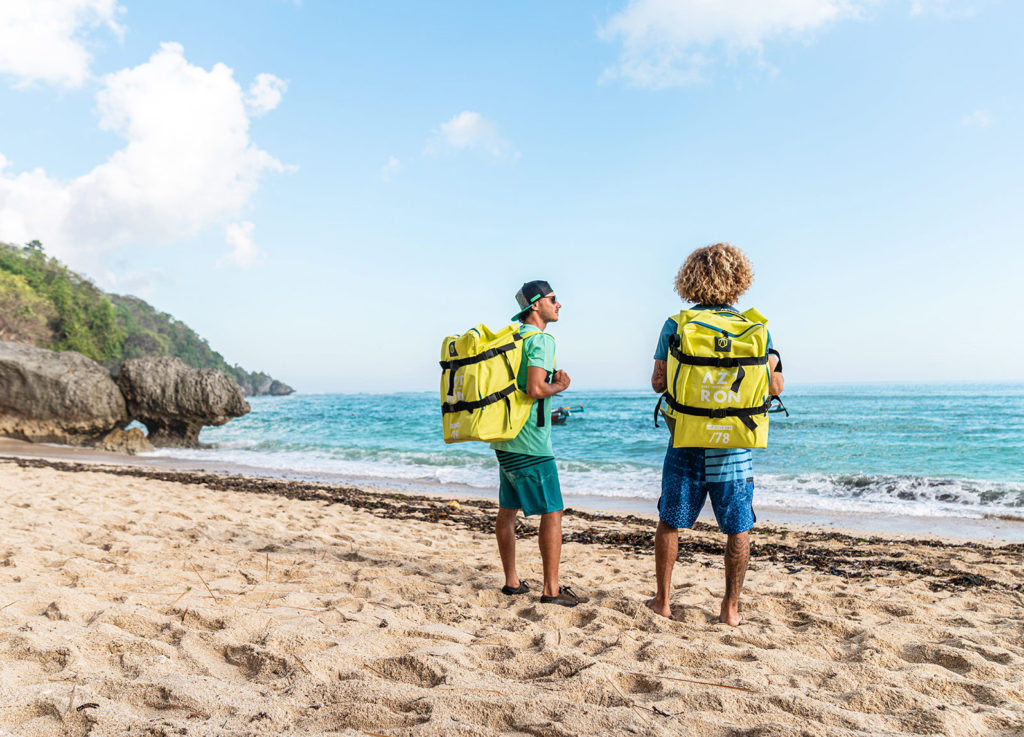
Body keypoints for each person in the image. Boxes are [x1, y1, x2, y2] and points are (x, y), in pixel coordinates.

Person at [647, 243, 784, 626]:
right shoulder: (755, 329)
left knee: (670, 521)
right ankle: (730, 609)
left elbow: (659, 382)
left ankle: (663, 602)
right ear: (739, 279)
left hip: (686, 440)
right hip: (735, 447)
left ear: (689, 279)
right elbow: (774, 387)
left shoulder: (676, 325)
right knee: (738, 527)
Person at [490, 280, 588, 607]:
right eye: (553, 299)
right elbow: (535, 389)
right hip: (532, 441)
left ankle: (512, 582)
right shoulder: (542, 340)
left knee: (507, 510)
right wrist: (560, 386)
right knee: (553, 511)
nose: (558, 304)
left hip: (505, 437)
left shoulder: (512, 338)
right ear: (536, 305)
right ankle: (551, 590)